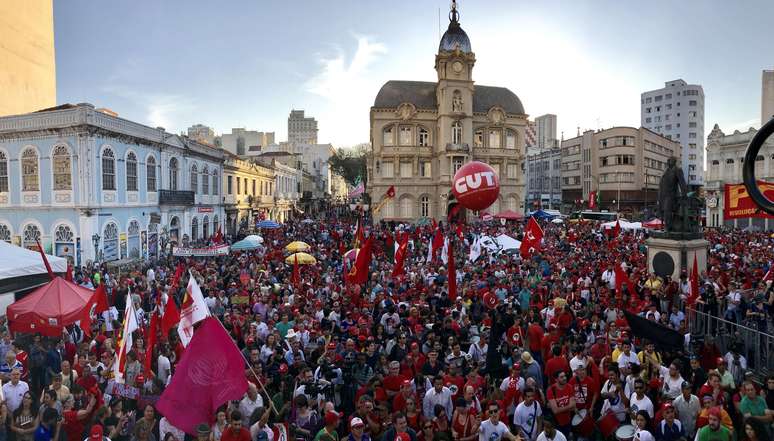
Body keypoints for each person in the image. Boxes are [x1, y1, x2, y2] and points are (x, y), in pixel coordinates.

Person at [546, 371, 574, 437]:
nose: (564, 378)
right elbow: (555, 411)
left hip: (568, 421)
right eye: (561, 377)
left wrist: (558, 408)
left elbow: (573, 406)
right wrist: (568, 407)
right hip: (556, 423)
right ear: (556, 379)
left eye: (564, 376)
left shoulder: (569, 387)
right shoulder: (551, 390)